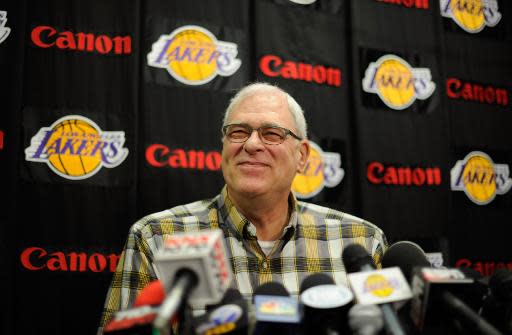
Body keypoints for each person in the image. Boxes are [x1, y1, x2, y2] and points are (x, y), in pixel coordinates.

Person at [98, 82, 388, 331]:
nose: (251, 144)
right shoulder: (157, 237)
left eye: (271, 134)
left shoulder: (361, 241)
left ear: (302, 156)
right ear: (223, 145)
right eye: (238, 132)